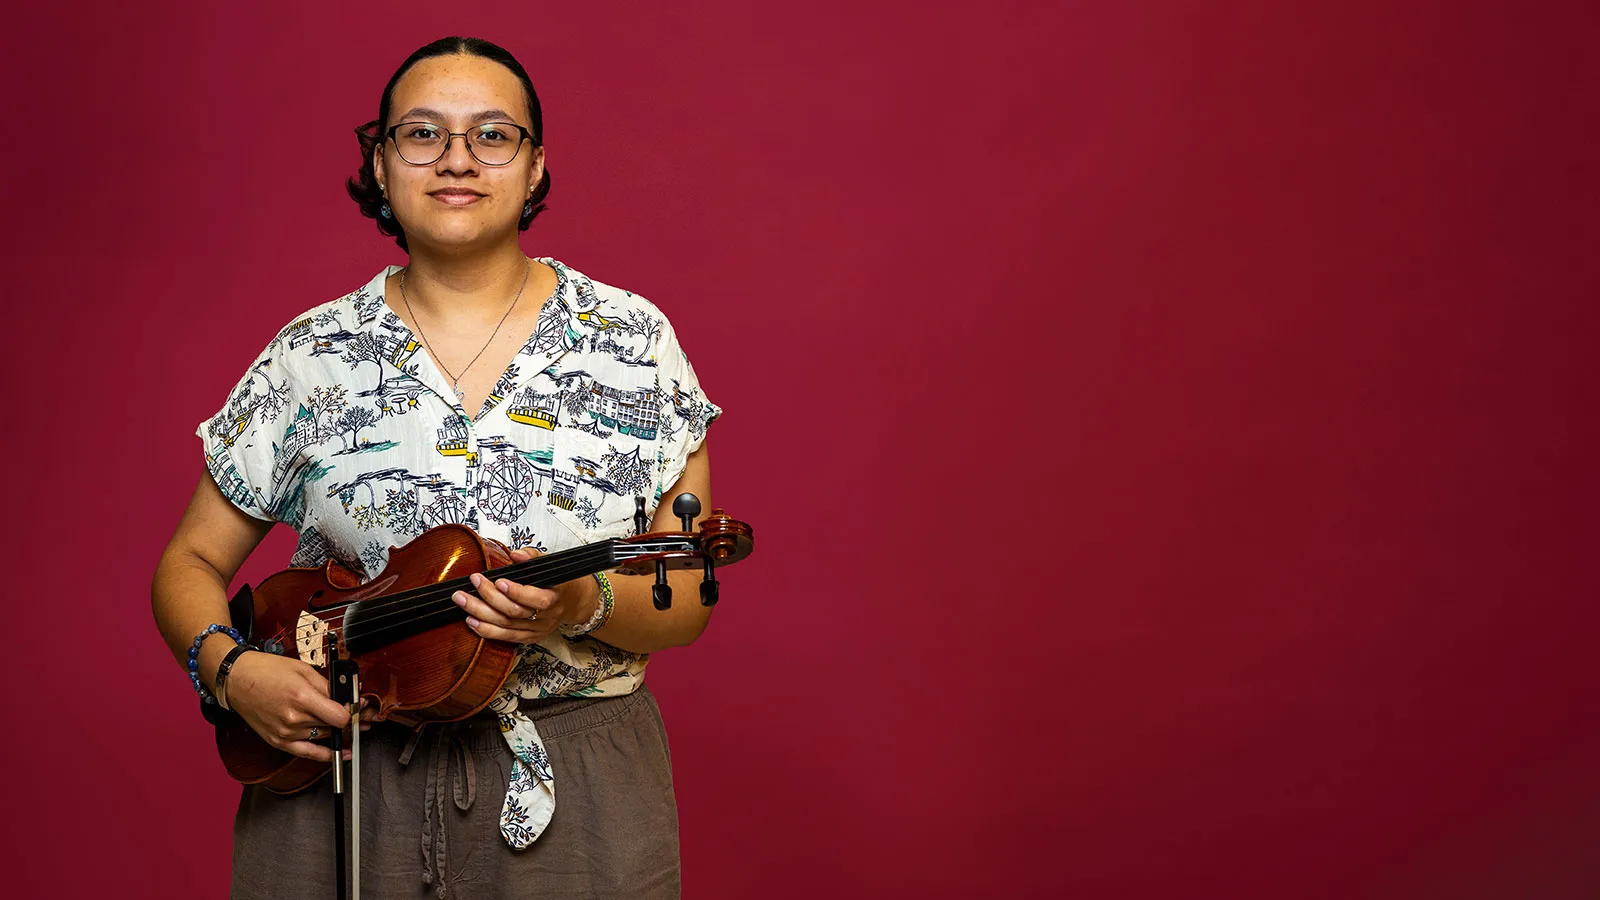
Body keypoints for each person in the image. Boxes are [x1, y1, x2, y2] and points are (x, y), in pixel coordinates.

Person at [149, 35, 722, 899]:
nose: (458, 159)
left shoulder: (634, 341)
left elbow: (684, 605)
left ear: (535, 166)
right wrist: (230, 672)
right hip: (343, 772)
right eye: (422, 134)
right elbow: (189, 562)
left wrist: (580, 600)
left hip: (580, 777)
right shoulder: (311, 353)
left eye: (493, 135)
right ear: (381, 165)